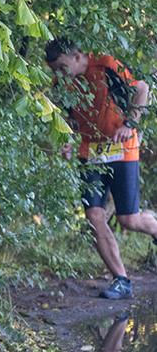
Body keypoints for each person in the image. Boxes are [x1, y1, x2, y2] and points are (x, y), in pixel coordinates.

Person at [45, 38, 155, 299]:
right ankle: (121, 280)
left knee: (128, 219)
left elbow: (142, 88)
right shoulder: (62, 83)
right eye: (54, 70)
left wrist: (130, 123)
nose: (59, 74)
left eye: (62, 67)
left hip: (121, 149)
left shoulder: (104, 64)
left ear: (76, 57)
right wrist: (68, 140)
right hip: (90, 153)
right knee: (95, 217)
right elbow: (70, 118)